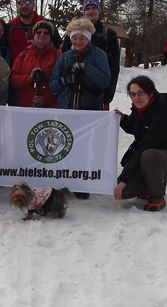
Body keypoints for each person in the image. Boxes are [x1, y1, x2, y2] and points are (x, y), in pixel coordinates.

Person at [50, 18, 111, 200]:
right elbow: (52, 85)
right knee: (64, 145)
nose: (77, 42)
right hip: (67, 108)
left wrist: (86, 68)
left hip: (89, 109)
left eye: (81, 38)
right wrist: (63, 80)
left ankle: (81, 181)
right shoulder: (65, 57)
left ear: (88, 38)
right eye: (74, 38)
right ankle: (62, 181)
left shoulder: (98, 55)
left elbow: (105, 80)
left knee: (84, 147)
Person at [113, 76, 167, 212]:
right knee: (124, 192)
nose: (136, 98)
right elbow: (135, 126)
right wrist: (123, 118)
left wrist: (125, 179)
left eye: (141, 93)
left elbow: (144, 147)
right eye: (133, 94)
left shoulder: (162, 116)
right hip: (150, 159)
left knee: (149, 154)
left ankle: (157, 196)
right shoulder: (140, 110)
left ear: (151, 93)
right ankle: (148, 186)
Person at [61, 0, 120, 111]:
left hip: (98, 93)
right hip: (73, 92)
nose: (91, 11)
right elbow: (63, 59)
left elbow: (114, 66)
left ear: (99, 10)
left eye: (94, 8)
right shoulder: (72, 32)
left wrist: (109, 93)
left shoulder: (108, 34)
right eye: (87, 9)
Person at [10, 20, 61, 108]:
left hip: (48, 107)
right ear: (34, 36)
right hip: (24, 106)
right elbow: (13, 80)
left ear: (50, 37)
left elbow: (61, 82)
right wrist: (29, 78)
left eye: (46, 33)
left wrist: (46, 98)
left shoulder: (58, 55)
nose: (42, 35)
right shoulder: (23, 55)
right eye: (38, 32)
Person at [7, 0, 62, 65]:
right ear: (17, 6)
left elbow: (58, 48)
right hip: (16, 73)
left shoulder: (47, 24)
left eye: (28, 2)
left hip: (44, 73)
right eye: (20, 3)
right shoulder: (10, 26)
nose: (24, 5)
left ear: (33, 4)